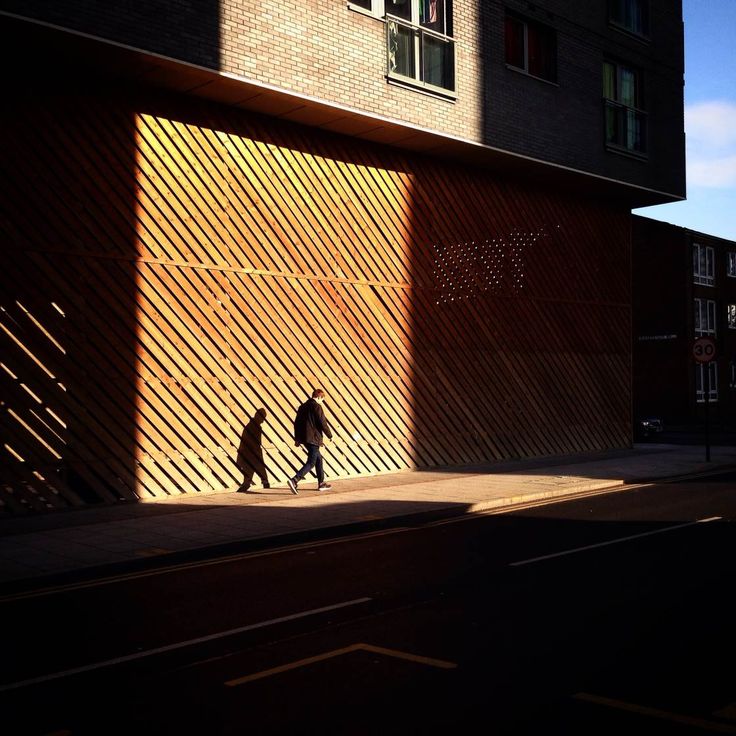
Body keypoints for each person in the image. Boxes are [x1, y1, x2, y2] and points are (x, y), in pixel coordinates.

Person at [288, 388, 333, 494]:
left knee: (319, 459)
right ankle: (294, 480)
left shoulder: (302, 407)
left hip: (304, 438)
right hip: (313, 438)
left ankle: (321, 483)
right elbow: (322, 422)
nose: (322, 402)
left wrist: (297, 439)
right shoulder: (317, 406)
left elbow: (297, 423)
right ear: (319, 397)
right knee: (311, 462)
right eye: (322, 399)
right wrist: (330, 435)